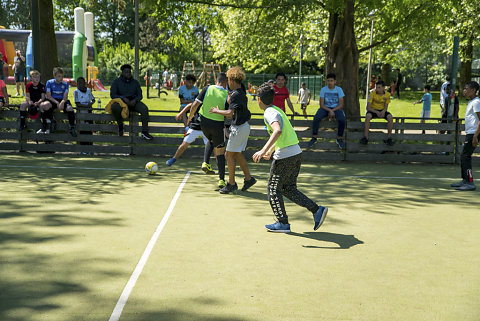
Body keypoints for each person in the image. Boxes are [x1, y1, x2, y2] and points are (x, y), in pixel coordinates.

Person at [252, 83, 328, 233]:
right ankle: (317, 210)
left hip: (285, 156)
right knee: (287, 188)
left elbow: (278, 131)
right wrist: (272, 150)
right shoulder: (277, 110)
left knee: (272, 189)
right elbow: (283, 134)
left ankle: (283, 223)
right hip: (295, 152)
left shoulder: (269, 112)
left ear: (259, 99)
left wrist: (263, 150)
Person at [208, 66, 256, 194]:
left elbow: (229, 113)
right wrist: (230, 99)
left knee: (228, 154)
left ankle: (231, 183)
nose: (227, 82)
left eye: (228, 79)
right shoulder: (241, 91)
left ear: (232, 80)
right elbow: (234, 106)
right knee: (237, 153)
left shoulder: (236, 94)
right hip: (243, 127)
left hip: (239, 128)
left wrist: (216, 111)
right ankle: (248, 179)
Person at [188, 73, 229, 189]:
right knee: (220, 152)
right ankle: (221, 180)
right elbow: (228, 115)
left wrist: (190, 117)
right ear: (225, 82)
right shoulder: (227, 94)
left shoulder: (207, 88)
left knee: (211, 140)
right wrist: (227, 129)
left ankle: (205, 162)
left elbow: (195, 104)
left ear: (216, 81)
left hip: (204, 123)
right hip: (217, 124)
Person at [165, 102, 215, 173]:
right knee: (184, 145)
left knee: (214, 148)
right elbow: (189, 105)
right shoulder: (199, 102)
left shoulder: (211, 103)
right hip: (194, 128)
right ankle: (173, 159)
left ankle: (217, 164)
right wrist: (180, 113)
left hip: (206, 128)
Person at [450, 81, 480, 191]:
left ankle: (470, 183)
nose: (464, 90)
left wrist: (476, 136)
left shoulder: (476, 102)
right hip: (470, 133)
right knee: (464, 156)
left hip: (473, 133)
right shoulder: (471, 102)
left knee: (466, 156)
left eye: (466, 88)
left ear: (473, 90)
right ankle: (465, 180)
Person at [110, 64, 153, 139]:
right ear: (122, 73)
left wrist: (135, 100)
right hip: (122, 102)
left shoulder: (135, 82)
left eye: (129, 72)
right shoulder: (116, 82)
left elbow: (140, 95)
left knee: (144, 108)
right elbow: (113, 95)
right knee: (114, 107)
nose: (128, 74)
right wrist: (122, 98)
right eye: (126, 72)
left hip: (133, 102)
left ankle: (144, 132)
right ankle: (120, 125)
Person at [307, 73, 346, 149]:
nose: (330, 82)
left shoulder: (339, 89)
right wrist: (329, 110)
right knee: (316, 118)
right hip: (325, 108)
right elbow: (321, 104)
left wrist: (333, 110)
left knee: (342, 119)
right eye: (328, 81)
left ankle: (339, 138)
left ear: (335, 81)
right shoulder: (323, 89)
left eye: (331, 81)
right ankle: (314, 137)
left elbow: (341, 104)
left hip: (336, 108)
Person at [44, 67, 77, 136]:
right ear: (54, 76)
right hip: (52, 99)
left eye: (62, 76)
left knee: (70, 108)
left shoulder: (65, 84)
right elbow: (49, 96)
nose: (61, 78)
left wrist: (62, 102)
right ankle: (52, 120)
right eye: (59, 76)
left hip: (62, 100)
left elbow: (65, 97)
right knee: (45, 105)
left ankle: (72, 127)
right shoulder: (49, 82)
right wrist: (57, 103)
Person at [360, 80, 394, 146]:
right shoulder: (372, 94)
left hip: (382, 110)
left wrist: (383, 111)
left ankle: (389, 138)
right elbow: (368, 108)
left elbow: (386, 106)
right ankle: (365, 138)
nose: (377, 89)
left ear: (383, 88)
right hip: (373, 110)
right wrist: (376, 112)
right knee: (368, 116)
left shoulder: (387, 94)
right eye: (376, 87)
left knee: (390, 117)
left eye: (379, 87)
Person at [74, 77, 95, 147]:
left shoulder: (88, 90)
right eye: (79, 83)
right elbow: (77, 103)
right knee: (82, 128)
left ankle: (90, 145)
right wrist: (86, 106)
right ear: (77, 84)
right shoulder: (76, 92)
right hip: (81, 112)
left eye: (82, 82)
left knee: (89, 128)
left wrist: (90, 104)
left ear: (85, 83)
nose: (81, 84)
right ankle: (82, 145)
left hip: (88, 112)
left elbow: (93, 99)